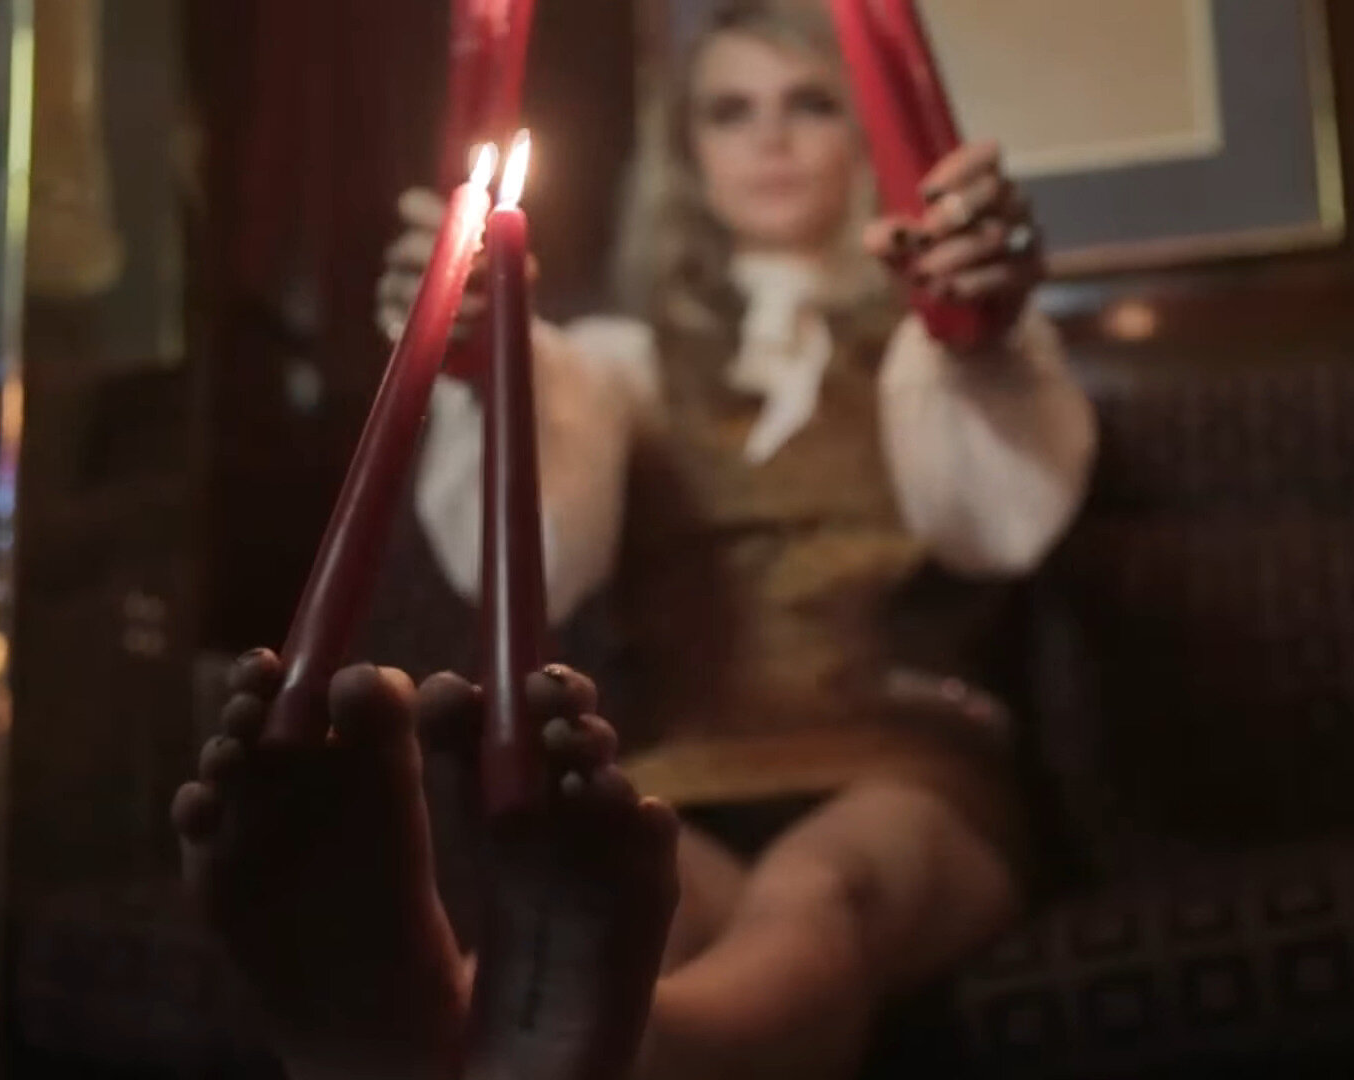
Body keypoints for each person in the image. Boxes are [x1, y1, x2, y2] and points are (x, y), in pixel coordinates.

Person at [175, 1, 1095, 1077]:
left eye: (809, 104)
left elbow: (995, 522)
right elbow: (544, 533)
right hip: (690, 776)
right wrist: (475, 352)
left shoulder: (933, 355)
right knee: (612, 914)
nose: (770, 138)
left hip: (909, 771)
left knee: (819, 894)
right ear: (687, 150)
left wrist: (977, 333)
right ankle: (448, 1016)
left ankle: (513, 1040)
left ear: (862, 134)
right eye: (729, 111)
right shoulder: (625, 364)